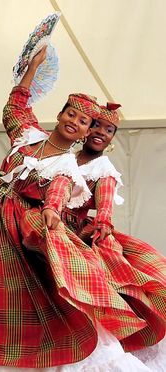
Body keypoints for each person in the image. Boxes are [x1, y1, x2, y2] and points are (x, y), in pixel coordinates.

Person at [0, 47, 153, 371]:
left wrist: (51, 210)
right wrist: (32, 69)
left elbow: (59, 191)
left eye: (83, 121)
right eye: (71, 115)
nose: (74, 123)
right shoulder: (28, 135)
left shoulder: (66, 165)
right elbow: (15, 106)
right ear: (61, 114)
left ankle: (15, 352)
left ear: (88, 131)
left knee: (11, 289)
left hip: (15, 228)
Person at [63, 102, 166, 370]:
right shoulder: (65, 158)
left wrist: (102, 223)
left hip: (82, 233)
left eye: (110, 130)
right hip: (49, 226)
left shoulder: (103, 169)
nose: (102, 133)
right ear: (85, 128)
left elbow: (105, 207)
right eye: (96, 125)